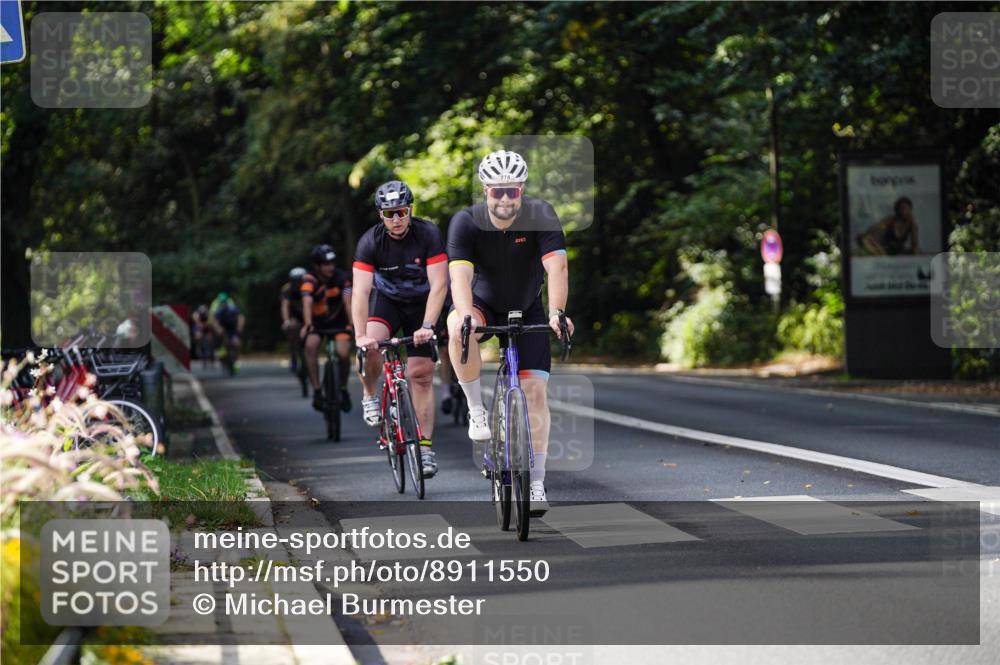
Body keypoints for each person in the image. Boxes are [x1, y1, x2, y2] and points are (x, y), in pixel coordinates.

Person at [446, 149, 574, 515]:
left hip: (527, 305)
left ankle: (535, 482)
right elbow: (460, 276)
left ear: (522, 190)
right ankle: (475, 409)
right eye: (497, 191)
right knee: (457, 326)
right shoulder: (466, 222)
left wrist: (557, 312)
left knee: (535, 394)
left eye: (512, 191)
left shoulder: (540, 214)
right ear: (485, 190)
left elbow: (557, 268)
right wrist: (467, 314)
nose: (504, 199)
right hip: (482, 302)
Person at [352, 180, 448, 478]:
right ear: (381, 215)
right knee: (371, 348)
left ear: (410, 210)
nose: (396, 219)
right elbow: (360, 292)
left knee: (420, 375)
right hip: (388, 303)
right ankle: (370, 394)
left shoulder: (428, 233)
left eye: (402, 212)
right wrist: (360, 336)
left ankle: (426, 447)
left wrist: (428, 326)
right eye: (389, 214)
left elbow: (440, 284)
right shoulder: (370, 242)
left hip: (422, 305)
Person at [300, 245, 353, 413]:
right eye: (325, 264)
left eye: (332, 263)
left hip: (340, 324)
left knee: (343, 354)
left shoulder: (342, 277)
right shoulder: (309, 279)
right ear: (317, 266)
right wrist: (308, 323)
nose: (330, 267)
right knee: (310, 345)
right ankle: (317, 390)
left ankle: (343, 389)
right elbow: (307, 301)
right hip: (317, 325)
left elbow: (348, 301)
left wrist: (352, 324)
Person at [281, 267, 308, 373]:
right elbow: (285, 306)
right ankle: (293, 357)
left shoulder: (309, 287)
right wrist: (286, 321)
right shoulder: (287, 289)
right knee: (292, 329)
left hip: (309, 315)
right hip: (295, 316)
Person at [210, 292, 244, 370]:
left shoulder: (232, 307)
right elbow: (213, 319)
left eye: (224, 302)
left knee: (236, 343)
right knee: (218, 335)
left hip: (232, 327)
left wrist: (240, 327)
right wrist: (218, 328)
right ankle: (219, 350)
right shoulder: (217, 306)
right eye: (222, 302)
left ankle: (236, 359)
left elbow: (241, 317)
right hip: (223, 327)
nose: (223, 304)